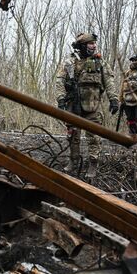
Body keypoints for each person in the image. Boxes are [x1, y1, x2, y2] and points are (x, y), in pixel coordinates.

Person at [55, 33, 119, 178]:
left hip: (93, 105)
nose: (94, 46)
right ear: (83, 45)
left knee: (94, 136)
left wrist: (114, 99)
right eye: (91, 43)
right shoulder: (69, 62)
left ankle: (93, 164)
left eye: (94, 43)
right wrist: (60, 99)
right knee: (72, 135)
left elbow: (109, 81)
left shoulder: (99, 62)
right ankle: (73, 161)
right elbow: (59, 81)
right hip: (73, 104)